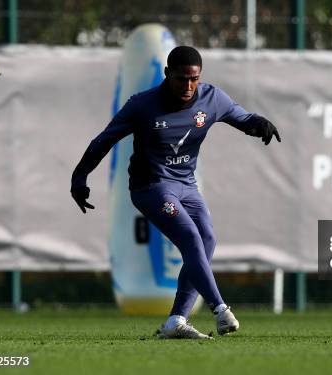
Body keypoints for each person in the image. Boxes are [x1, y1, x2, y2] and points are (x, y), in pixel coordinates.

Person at [70, 46, 281, 339]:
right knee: (190, 238)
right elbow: (104, 140)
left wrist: (260, 124)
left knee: (206, 239)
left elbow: (241, 117)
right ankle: (220, 309)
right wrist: (80, 176)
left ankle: (176, 322)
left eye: (194, 79)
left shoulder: (211, 98)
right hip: (151, 187)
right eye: (182, 78)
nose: (188, 86)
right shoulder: (142, 105)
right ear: (167, 74)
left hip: (186, 186)